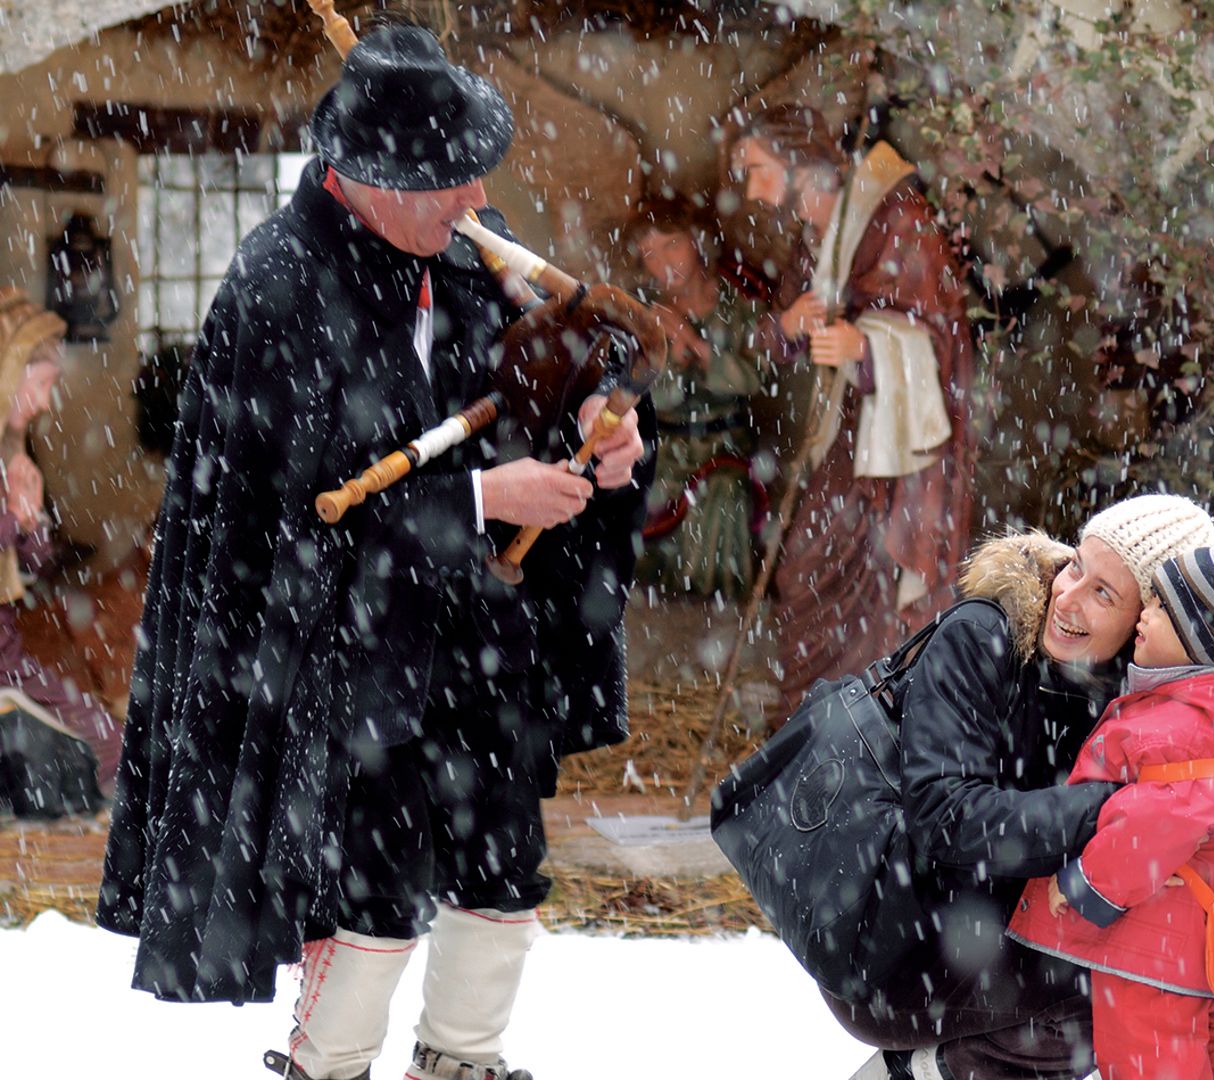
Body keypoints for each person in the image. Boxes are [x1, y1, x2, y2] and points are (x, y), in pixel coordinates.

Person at [95, 26, 653, 1080]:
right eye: (445, 178)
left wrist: (601, 437)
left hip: (476, 634)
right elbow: (296, 517)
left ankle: (463, 1061)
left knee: (502, 864)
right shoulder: (280, 286)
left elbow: (534, 383)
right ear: (361, 178)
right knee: (370, 886)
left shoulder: (464, 247)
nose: (474, 193)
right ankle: (330, 1067)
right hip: (341, 654)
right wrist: (485, 496)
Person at [838, 493, 1214, 1080]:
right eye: (1076, 566)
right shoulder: (982, 636)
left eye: (1103, 593)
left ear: (1148, 620)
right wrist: (1108, 813)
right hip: (892, 941)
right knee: (1103, 1005)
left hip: (1002, 931)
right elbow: (946, 817)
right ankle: (919, 1069)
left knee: (1154, 981)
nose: (1066, 597)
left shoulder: (1136, 698)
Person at [1005, 529, 1214, 1080]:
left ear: (1202, 646)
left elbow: (1158, 820)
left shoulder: (1183, 724)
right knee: (1210, 1052)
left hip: (1156, 948)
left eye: (1161, 610)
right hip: (1186, 942)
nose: (1143, 618)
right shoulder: (1212, 717)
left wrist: (1083, 883)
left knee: (1146, 1061)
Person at [728, 104, 974, 719]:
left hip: (901, 453)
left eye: (757, 170)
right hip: (850, 438)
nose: (752, 191)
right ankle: (816, 730)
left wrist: (867, 349)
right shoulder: (818, 234)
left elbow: (943, 337)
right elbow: (778, 335)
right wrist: (787, 328)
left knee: (866, 582)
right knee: (808, 572)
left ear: (796, 163)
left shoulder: (896, 217)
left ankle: (860, 733)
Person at [0, 288, 122, 816]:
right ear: (12, 374)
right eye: (44, 384)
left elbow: (35, 565)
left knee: (108, 740)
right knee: (96, 749)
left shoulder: (13, 453)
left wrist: (29, 517)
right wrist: (14, 516)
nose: (48, 402)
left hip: (9, 657)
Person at [631, 203, 766, 598]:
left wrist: (693, 344)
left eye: (672, 245)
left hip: (723, 447)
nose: (663, 262)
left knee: (723, 496)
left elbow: (750, 380)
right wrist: (669, 354)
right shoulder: (641, 312)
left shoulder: (740, 306)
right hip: (664, 450)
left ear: (698, 243)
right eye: (649, 254)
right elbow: (658, 396)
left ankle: (710, 611)